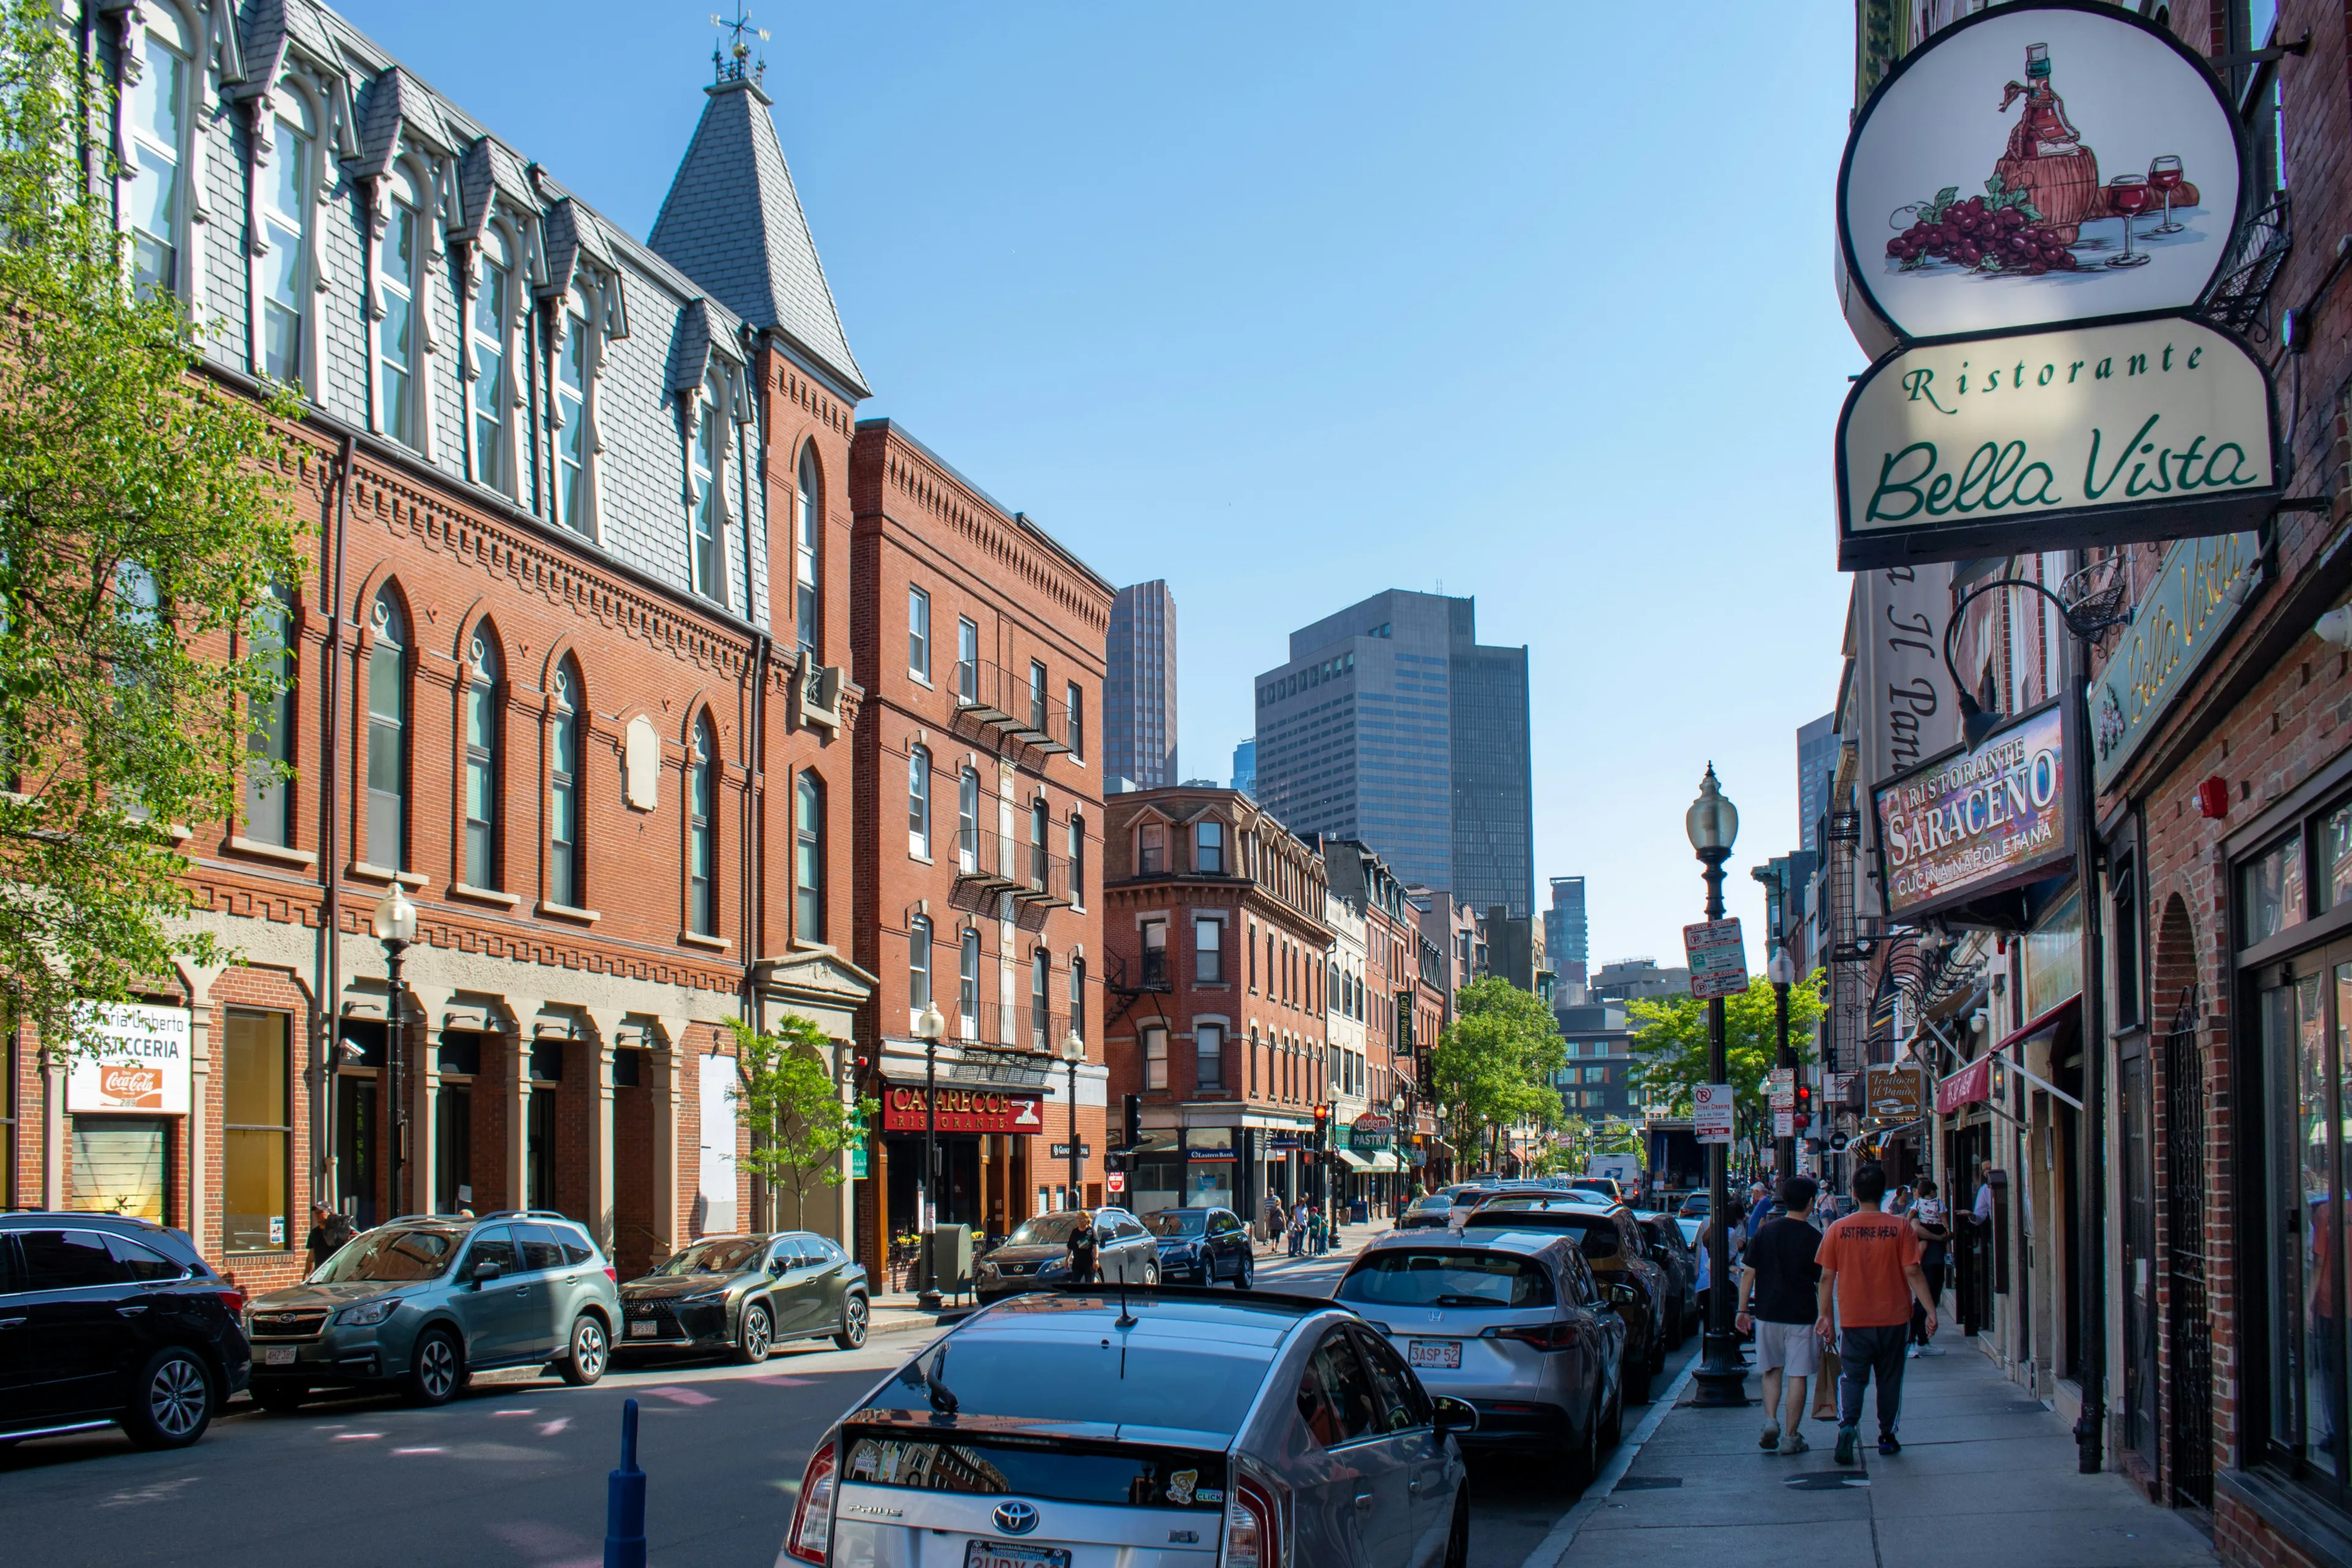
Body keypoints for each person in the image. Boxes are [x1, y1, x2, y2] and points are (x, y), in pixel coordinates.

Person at [1815, 1163, 1939, 1463]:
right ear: (1883, 1192)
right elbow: (1913, 1271)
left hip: (1855, 1319)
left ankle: (1847, 1425)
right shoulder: (1900, 1228)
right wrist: (1930, 1310)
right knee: (1890, 1379)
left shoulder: (1837, 1230)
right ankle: (1887, 1437)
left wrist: (1826, 1316)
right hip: (1895, 1319)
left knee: (1852, 1378)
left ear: (1854, 1193)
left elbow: (1827, 1278)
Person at [1738, 1176, 1825, 1455]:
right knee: (1798, 1375)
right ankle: (1791, 1436)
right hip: (1802, 1313)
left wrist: (1742, 1310)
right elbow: (1822, 1281)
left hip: (1768, 1311)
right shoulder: (1815, 1238)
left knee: (1771, 1370)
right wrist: (1826, 1316)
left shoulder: (1766, 1232)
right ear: (1810, 1203)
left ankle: (1771, 1421)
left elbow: (1749, 1272)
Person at [1908, 1175, 1950, 1357]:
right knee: (1923, 1301)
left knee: (1932, 1298)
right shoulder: (1918, 1208)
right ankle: (1909, 1341)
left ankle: (1922, 1341)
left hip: (1937, 1257)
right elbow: (1916, 1228)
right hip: (1926, 1260)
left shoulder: (1933, 1205)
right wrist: (1939, 1237)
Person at [305, 1201, 355, 1273]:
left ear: (329, 1213)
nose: (317, 1215)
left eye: (321, 1212)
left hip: (337, 1273)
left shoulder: (340, 1229)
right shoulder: (314, 1233)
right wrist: (306, 1274)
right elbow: (311, 1257)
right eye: (316, 1212)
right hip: (321, 1274)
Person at [1066, 1210, 1099, 1286]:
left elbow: (1095, 1246)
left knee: (1089, 1284)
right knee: (1075, 1283)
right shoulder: (1075, 1232)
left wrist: (1096, 1260)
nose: (1079, 1220)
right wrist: (1067, 1260)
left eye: (1081, 1219)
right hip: (1077, 1262)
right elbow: (1070, 1247)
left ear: (1086, 1220)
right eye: (1078, 1218)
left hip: (1089, 1263)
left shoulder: (1091, 1231)